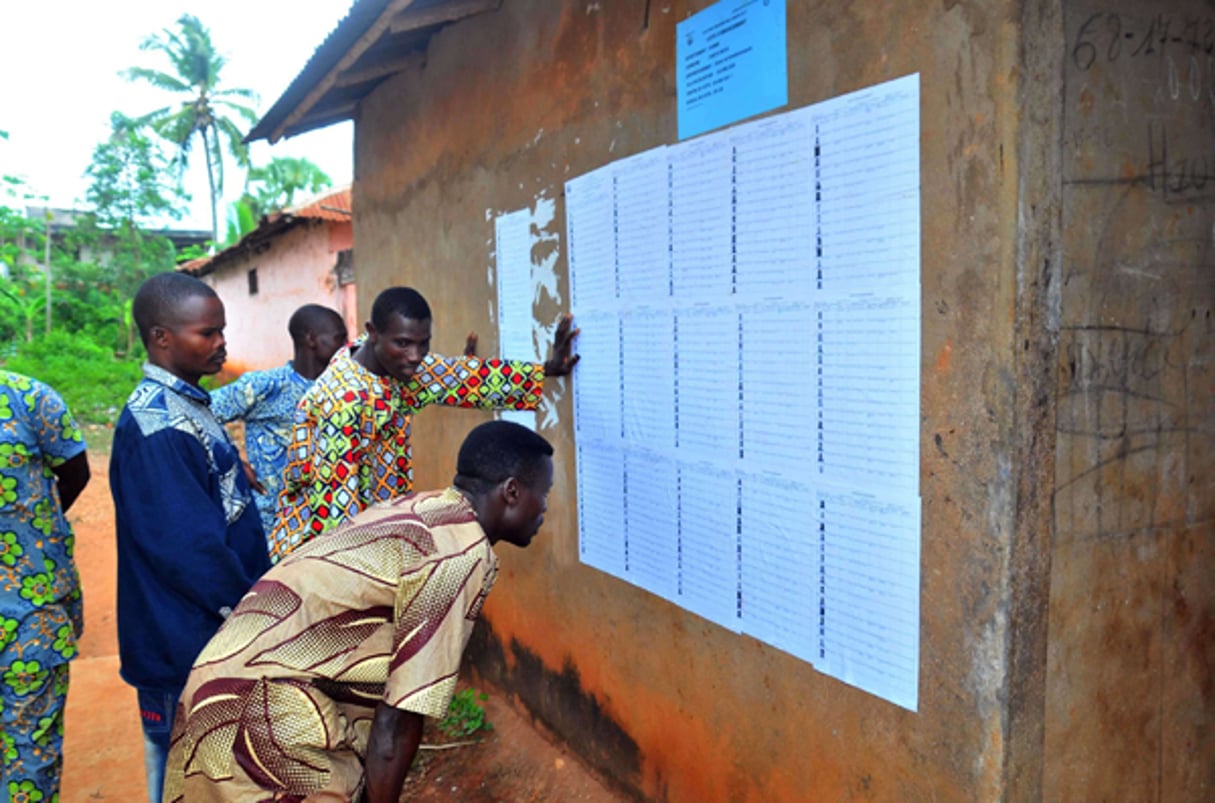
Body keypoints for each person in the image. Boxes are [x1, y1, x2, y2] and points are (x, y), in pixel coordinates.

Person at [163, 419, 554, 802]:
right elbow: (399, 719)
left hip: (222, 681)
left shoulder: (424, 509)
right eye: (544, 493)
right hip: (266, 715)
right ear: (512, 492)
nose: (546, 509)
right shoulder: (458, 555)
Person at [109, 273, 272, 803]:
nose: (221, 342)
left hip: (203, 637)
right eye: (207, 332)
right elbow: (189, 552)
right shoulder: (156, 427)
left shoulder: (187, 406)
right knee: (182, 779)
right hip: (180, 642)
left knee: (213, 775)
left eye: (221, 330)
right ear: (161, 338)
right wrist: (255, 611)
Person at [269, 285, 578, 560]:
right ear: (372, 332)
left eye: (423, 344)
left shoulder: (401, 364)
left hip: (373, 534)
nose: (415, 356)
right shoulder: (341, 401)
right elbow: (335, 509)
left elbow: (465, 379)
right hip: (318, 554)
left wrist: (547, 370)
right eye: (403, 343)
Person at [0, 372, 90, 803]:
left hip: (30, 610)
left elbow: (75, 472)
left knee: (29, 752)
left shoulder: (30, 399)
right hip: (31, 601)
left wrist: (35, 532)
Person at [211, 304, 348, 538]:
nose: (346, 346)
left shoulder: (342, 389)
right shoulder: (267, 386)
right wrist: (232, 461)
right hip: (272, 523)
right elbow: (199, 413)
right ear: (311, 339)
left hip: (326, 520)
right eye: (339, 338)